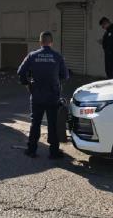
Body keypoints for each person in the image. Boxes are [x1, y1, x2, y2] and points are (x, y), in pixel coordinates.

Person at [17, 31, 69, 159]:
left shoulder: (32, 56)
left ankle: (31, 150)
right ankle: (54, 152)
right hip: (53, 96)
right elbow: (65, 76)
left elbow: (20, 72)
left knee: (35, 123)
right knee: (52, 123)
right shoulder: (57, 56)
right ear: (51, 42)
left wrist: (27, 84)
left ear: (40, 42)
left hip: (37, 95)